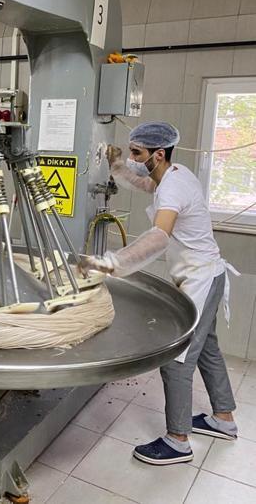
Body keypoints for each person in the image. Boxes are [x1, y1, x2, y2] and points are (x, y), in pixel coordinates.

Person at [80, 121, 238, 466]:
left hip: (201, 278)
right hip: (204, 273)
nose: (134, 158)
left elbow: (159, 236)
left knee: (177, 359)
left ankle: (178, 441)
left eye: (137, 153)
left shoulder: (173, 188)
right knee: (207, 347)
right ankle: (223, 419)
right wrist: (117, 165)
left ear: (159, 154)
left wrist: (110, 262)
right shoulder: (173, 174)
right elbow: (143, 181)